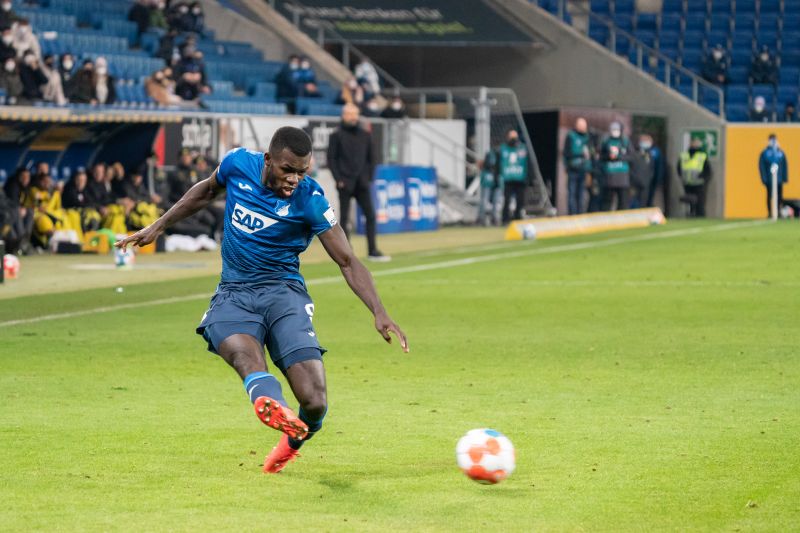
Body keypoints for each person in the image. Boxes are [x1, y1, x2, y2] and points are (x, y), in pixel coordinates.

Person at [115, 126, 408, 474]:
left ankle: (290, 441)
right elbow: (207, 189)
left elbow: (347, 260)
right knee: (244, 355)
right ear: (269, 160)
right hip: (235, 294)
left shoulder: (311, 199)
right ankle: (273, 404)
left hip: (284, 295)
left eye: (302, 171)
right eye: (288, 170)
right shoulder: (238, 164)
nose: (295, 179)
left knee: (314, 401)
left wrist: (379, 311)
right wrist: (159, 225)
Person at [327, 103, 389, 261]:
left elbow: (372, 158)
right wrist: (338, 179)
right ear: (343, 115)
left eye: (354, 114)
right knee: (344, 219)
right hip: (345, 183)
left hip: (362, 183)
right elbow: (331, 159)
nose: (352, 117)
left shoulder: (365, 135)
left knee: (371, 216)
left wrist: (369, 178)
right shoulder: (336, 135)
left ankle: (373, 250)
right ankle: (346, 253)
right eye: (349, 114)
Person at [498, 129, 528, 223]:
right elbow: (498, 164)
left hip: (520, 179)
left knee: (520, 200)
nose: (514, 139)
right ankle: (505, 219)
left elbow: (527, 164)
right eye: (512, 137)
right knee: (506, 200)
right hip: (508, 179)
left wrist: (527, 177)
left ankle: (517, 218)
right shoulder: (503, 148)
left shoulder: (522, 148)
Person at [562, 117, 591, 215]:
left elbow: (591, 152)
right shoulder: (571, 136)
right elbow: (566, 153)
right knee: (572, 194)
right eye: (582, 126)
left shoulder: (587, 137)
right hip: (572, 169)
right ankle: (572, 214)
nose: (583, 128)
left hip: (583, 170)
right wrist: (567, 166)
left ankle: (580, 214)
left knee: (581, 194)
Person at [677, 137, 711, 217]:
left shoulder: (702, 156)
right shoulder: (684, 155)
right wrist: (682, 177)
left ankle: (700, 216)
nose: (694, 144)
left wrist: (703, 178)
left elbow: (707, 170)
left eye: (696, 143)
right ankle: (691, 215)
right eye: (693, 142)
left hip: (698, 183)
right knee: (689, 201)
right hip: (687, 182)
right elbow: (679, 168)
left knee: (699, 201)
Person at [758, 133, 788, 218]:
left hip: (779, 179)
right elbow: (762, 167)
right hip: (769, 179)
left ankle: (778, 211)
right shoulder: (765, 153)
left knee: (779, 196)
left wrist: (784, 178)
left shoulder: (780, 153)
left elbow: (784, 166)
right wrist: (764, 178)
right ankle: (770, 212)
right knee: (769, 196)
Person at [628, 134, 659, 209]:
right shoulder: (634, 154)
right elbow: (631, 168)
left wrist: (650, 179)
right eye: (644, 141)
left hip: (646, 183)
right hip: (634, 183)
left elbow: (652, 169)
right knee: (633, 202)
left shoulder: (651, 155)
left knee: (643, 202)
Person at [476, 149, 501, 225]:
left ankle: (494, 218)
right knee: (484, 200)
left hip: (496, 181)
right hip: (488, 181)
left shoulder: (500, 158)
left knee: (495, 201)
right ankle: (481, 218)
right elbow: (480, 165)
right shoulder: (488, 157)